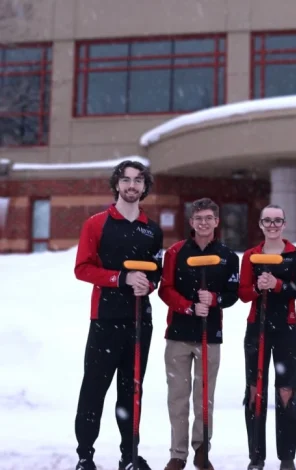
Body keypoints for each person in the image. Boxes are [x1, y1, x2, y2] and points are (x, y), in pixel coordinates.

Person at [73, 159, 163, 470]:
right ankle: (85, 456)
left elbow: (156, 271)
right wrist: (120, 278)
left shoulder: (152, 230)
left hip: (140, 321)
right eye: (126, 179)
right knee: (94, 388)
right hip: (106, 319)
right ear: (116, 184)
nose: (131, 185)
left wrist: (148, 284)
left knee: (132, 389)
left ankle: (129, 455)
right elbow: (82, 269)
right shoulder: (96, 223)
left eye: (138, 180)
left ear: (144, 186)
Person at [158, 198, 240, 470]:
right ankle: (177, 454)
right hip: (178, 334)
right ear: (191, 222)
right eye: (198, 218)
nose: (203, 223)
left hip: (210, 336)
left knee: (204, 397)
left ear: (217, 221)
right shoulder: (175, 252)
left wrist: (214, 299)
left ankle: (202, 449)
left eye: (208, 218)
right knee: (178, 397)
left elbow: (233, 294)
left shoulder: (228, 256)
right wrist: (189, 307)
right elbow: (165, 289)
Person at [238, 204, 296, 470]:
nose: (272, 225)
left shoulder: (295, 254)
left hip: (285, 329)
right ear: (260, 224)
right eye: (267, 221)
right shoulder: (251, 256)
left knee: (286, 391)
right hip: (257, 328)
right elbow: (243, 293)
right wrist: (258, 288)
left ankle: (286, 457)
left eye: (277, 221)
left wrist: (277, 285)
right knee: (254, 390)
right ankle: (256, 456)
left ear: (284, 224)